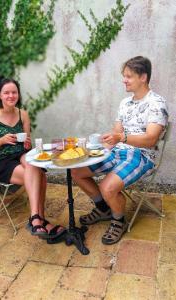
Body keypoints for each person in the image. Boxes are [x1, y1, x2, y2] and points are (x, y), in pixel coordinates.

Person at [72, 56, 168, 245]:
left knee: (107, 187)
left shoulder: (157, 103)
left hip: (142, 155)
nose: (124, 80)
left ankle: (118, 220)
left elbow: (150, 139)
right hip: (117, 151)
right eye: (124, 76)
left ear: (143, 77)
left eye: (128, 76)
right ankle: (103, 209)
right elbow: (117, 132)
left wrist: (120, 138)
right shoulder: (125, 103)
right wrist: (101, 144)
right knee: (76, 171)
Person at [0, 78, 65, 239]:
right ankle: (39, 219)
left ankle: (36, 218)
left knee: (33, 165)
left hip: (21, 155)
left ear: (18, 94)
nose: (11, 96)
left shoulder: (22, 114)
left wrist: (27, 143)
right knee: (39, 176)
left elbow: (27, 145)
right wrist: (1, 140)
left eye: (14, 92)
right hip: (0, 162)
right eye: (6, 93)